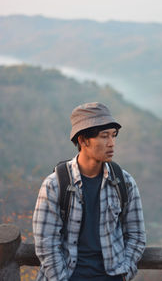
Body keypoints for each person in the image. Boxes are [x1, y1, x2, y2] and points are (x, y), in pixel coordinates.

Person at [33, 102, 146, 281]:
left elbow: (136, 235)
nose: (111, 143)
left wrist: (125, 273)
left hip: (112, 276)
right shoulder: (55, 185)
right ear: (83, 139)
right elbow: (46, 244)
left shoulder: (123, 182)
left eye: (113, 136)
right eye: (104, 136)